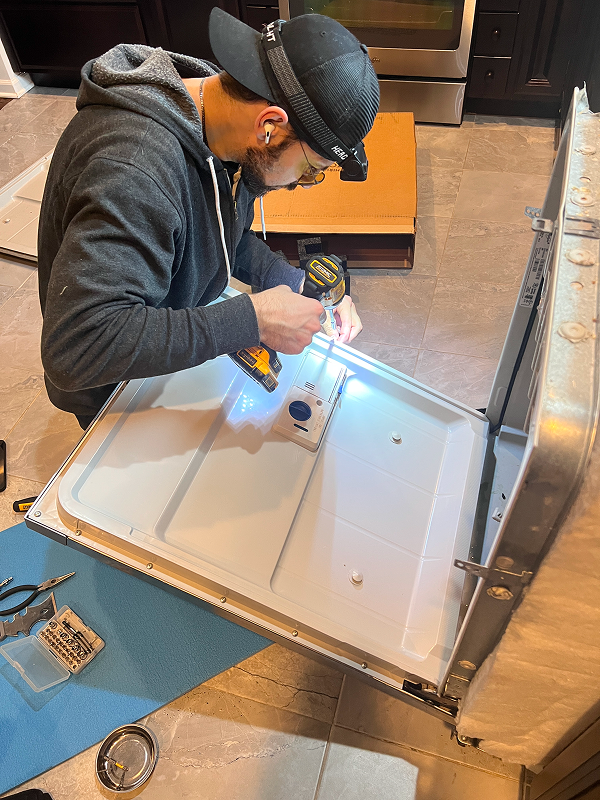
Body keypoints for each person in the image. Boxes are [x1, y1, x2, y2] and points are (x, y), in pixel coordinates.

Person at [37, 8, 380, 429]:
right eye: (311, 170)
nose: (300, 183)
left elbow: (215, 228)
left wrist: (295, 286)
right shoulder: (134, 171)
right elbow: (78, 347)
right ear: (269, 125)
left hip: (168, 342)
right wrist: (252, 319)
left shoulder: (216, 121)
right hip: (115, 382)